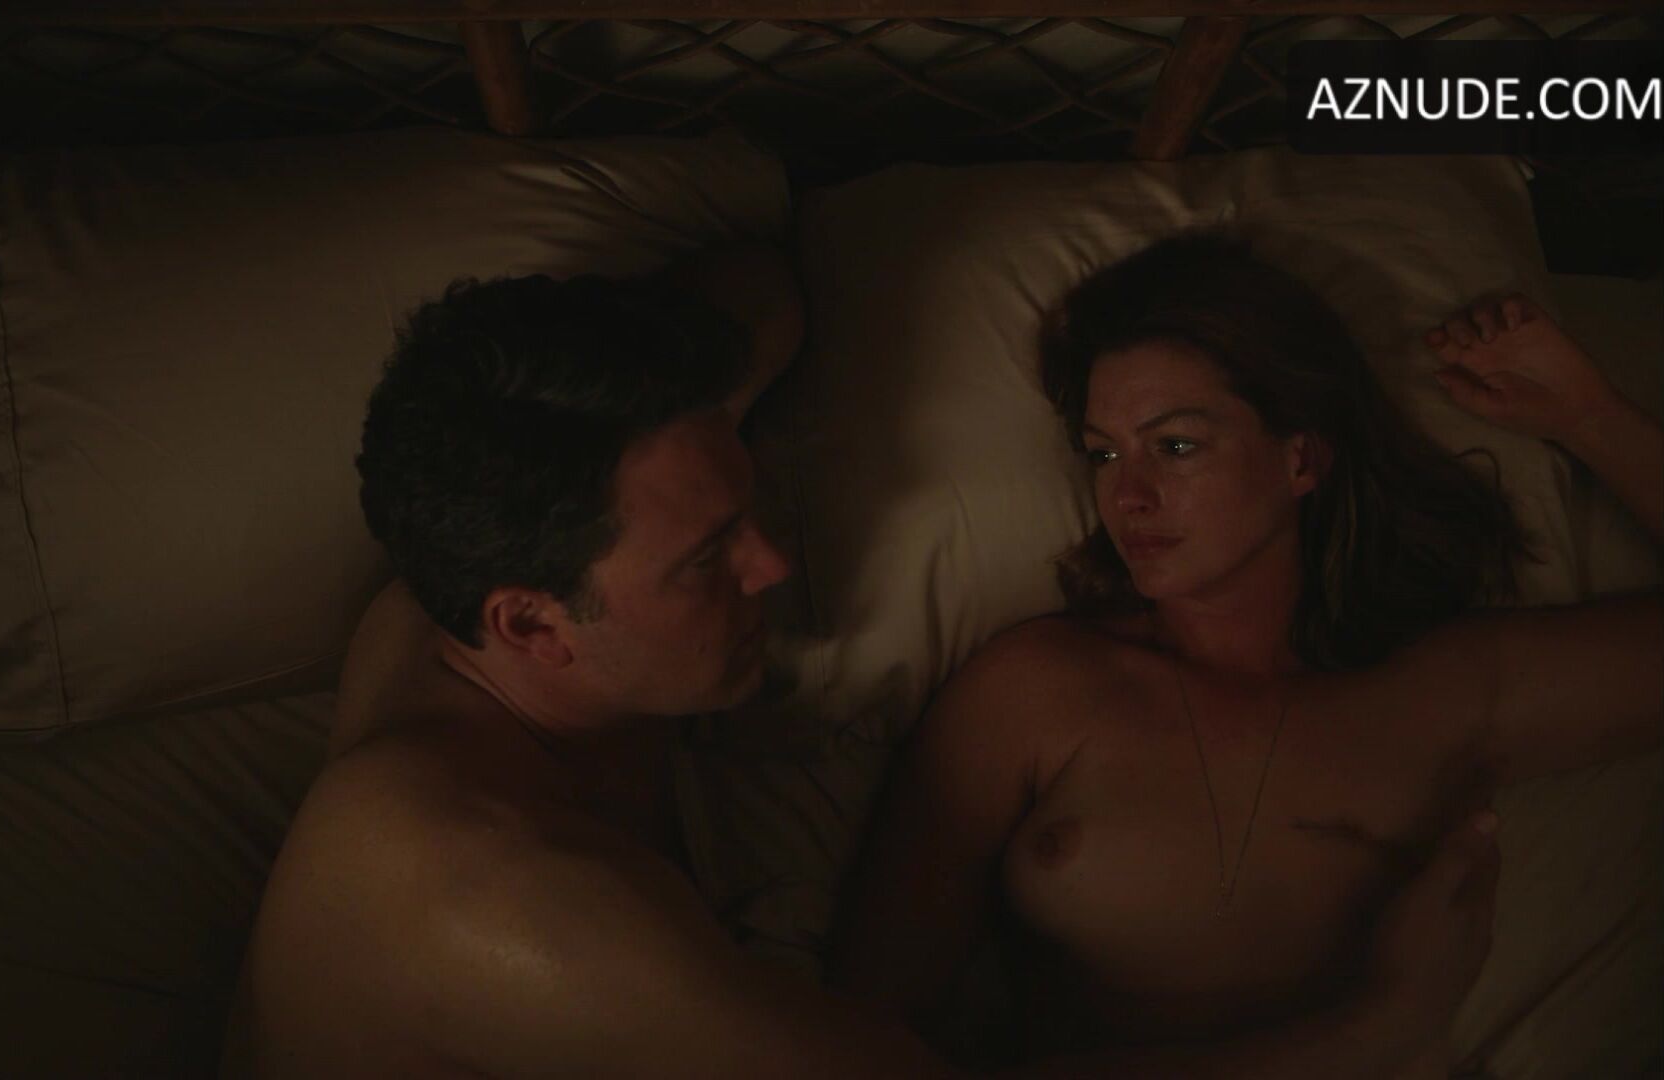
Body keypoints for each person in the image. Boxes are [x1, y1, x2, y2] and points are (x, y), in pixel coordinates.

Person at [222, 242, 1507, 1079]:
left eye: (745, 505)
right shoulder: (532, 916)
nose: (773, 565)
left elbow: (758, 293)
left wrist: (669, 356)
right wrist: (1376, 1027)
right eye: (708, 559)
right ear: (532, 626)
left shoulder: (486, 551)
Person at [833, 231, 1662, 1078]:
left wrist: (1589, 417)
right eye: (1104, 453)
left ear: (1300, 459)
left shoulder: (1443, 689)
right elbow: (855, 1039)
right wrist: (1385, 1025)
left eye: (1176, 446)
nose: (1128, 495)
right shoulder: (1034, 691)